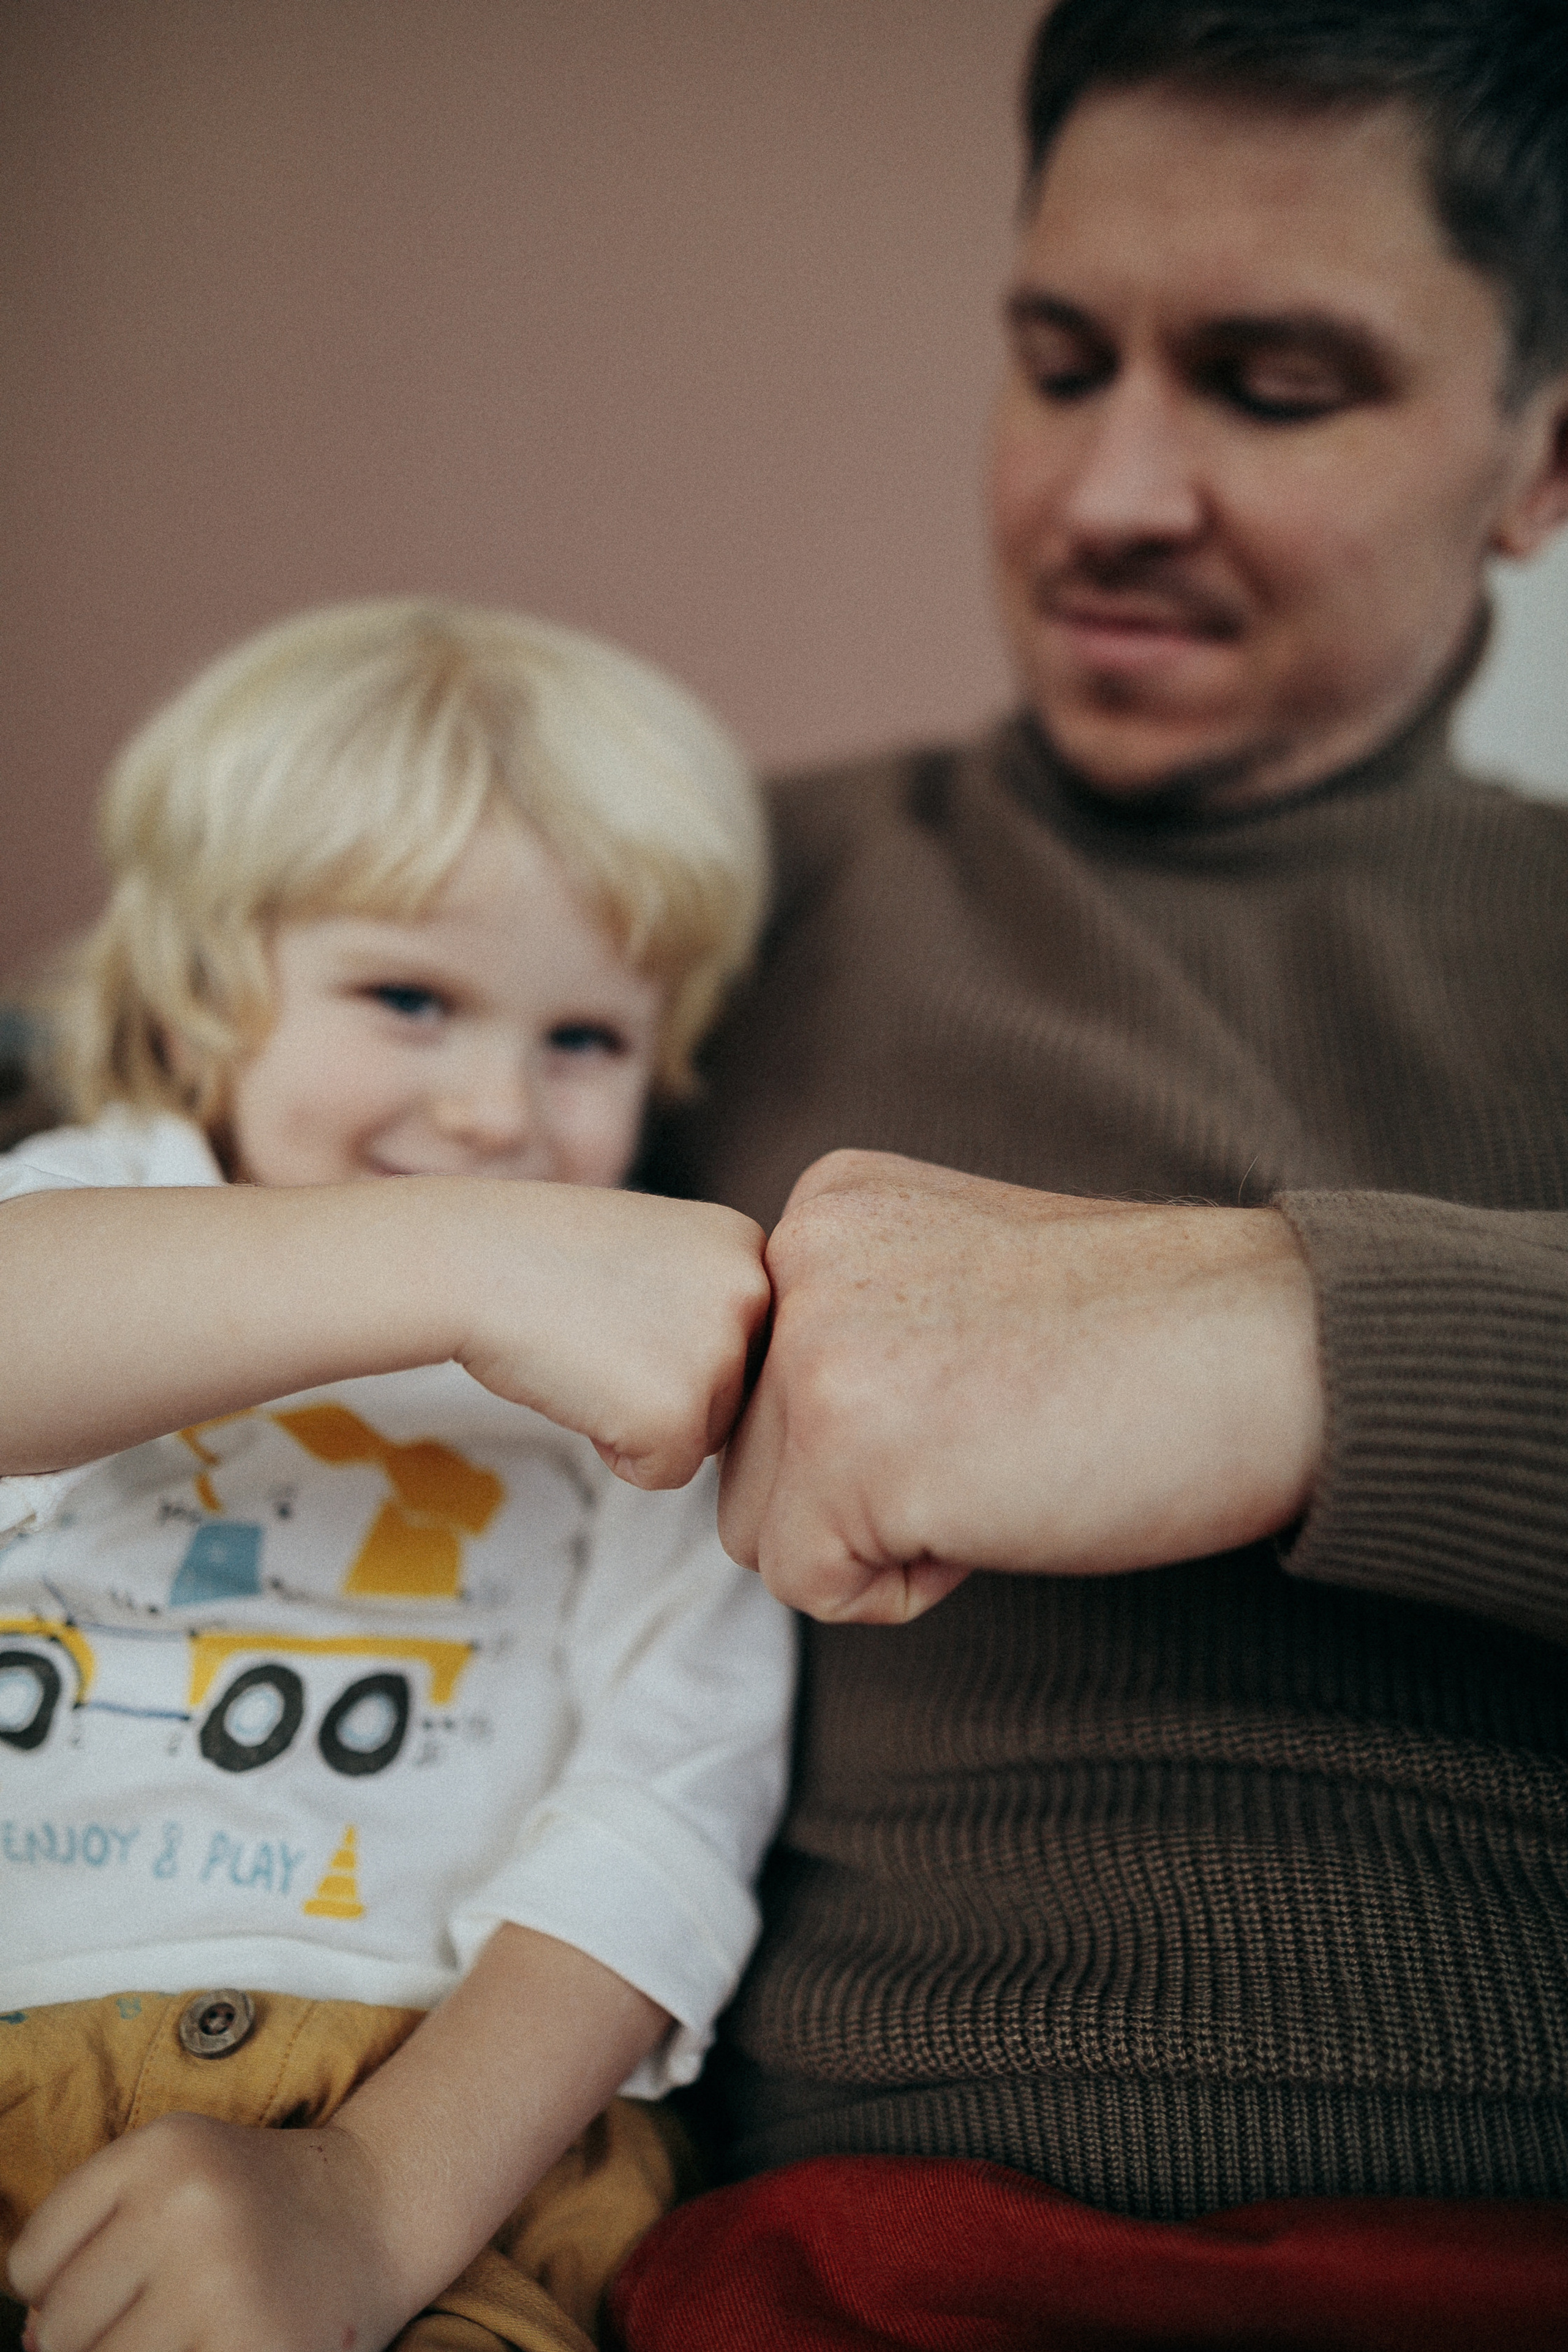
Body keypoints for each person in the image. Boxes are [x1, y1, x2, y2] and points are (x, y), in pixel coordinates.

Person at [652, 0, 1568, 2235]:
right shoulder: (685, 897)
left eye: (1276, 390)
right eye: (1061, 362)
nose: (1106, 496)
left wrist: (1295, 1343)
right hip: (859, 2256)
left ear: (1540, 452)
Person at [0, 598, 793, 2352]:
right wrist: (459, 1261)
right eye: (412, 998)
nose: (497, 1115)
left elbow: (669, 1819)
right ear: (211, 984)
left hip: (441, 2140)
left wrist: (377, 2204)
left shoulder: (652, 1369)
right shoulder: (87, 1205)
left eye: (581, 1040)